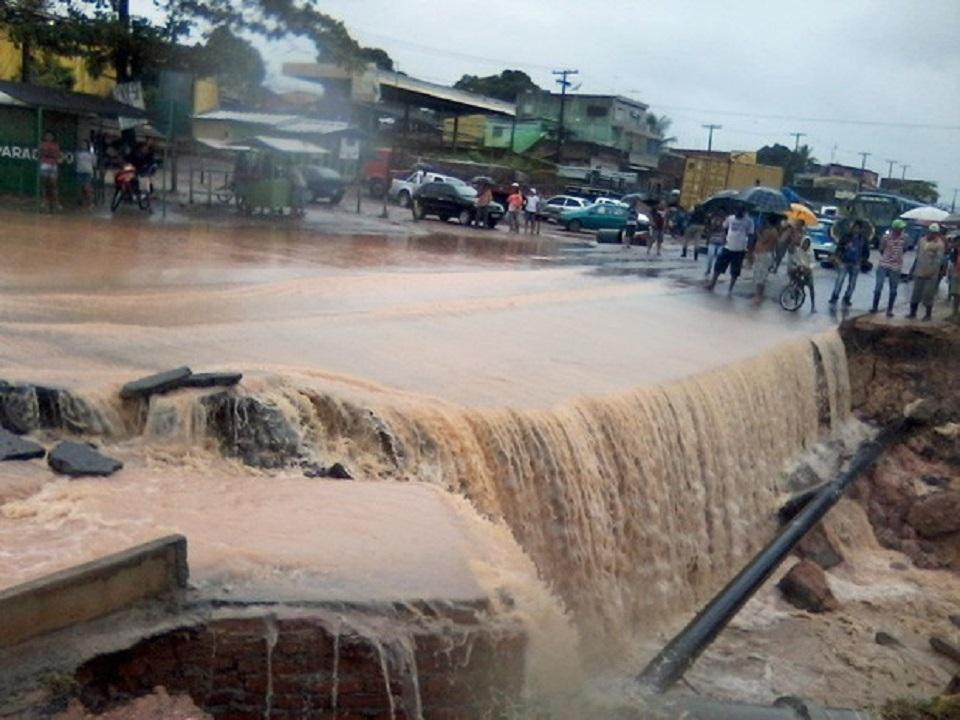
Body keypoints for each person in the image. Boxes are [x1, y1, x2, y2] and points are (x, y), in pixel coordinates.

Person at [707, 204, 753, 294]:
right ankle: (712, 284)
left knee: (735, 270)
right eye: (736, 211)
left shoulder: (749, 221)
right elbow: (725, 227)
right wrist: (724, 238)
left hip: (740, 249)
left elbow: (750, 234)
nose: (738, 213)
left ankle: (730, 289)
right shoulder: (730, 218)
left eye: (740, 211)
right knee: (718, 265)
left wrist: (749, 249)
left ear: (744, 212)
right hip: (728, 246)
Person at [908, 223, 946, 320]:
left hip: (931, 274)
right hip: (919, 271)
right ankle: (912, 313)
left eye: (934, 233)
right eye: (931, 232)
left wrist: (933, 272)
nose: (932, 234)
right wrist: (912, 270)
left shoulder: (939, 244)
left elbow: (939, 261)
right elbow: (917, 256)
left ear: (937, 233)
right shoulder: (921, 241)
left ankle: (928, 315)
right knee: (915, 293)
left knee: (928, 295)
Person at [828, 219, 870, 307]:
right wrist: (839, 256)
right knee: (840, 280)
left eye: (858, 228)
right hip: (844, 262)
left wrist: (862, 260)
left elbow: (866, 252)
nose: (856, 229)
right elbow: (839, 248)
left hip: (856, 263)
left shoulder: (863, 239)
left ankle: (847, 298)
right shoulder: (846, 237)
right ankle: (834, 296)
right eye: (855, 227)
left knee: (852, 283)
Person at [871, 219, 907, 317]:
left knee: (893, 289)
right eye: (900, 228)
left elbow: (905, 248)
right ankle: (874, 307)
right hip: (884, 264)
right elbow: (881, 248)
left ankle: (889, 310)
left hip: (896, 266)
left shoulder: (904, 237)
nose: (901, 230)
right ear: (895, 229)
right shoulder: (886, 237)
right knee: (878, 287)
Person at [751, 215, 780, 303]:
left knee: (760, 275)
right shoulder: (775, 231)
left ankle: (758, 295)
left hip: (763, 254)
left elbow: (763, 240)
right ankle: (760, 295)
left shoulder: (770, 231)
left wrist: (757, 232)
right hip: (766, 254)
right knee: (761, 275)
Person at [788, 235, 817, 312]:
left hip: (807, 271)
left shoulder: (811, 252)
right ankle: (796, 302)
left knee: (811, 287)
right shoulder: (798, 250)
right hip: (799, 269)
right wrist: (798, 265)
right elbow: (794, 259)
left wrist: (809, 267)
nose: (805, 245)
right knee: (798, 286)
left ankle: (813, 305)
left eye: (807, 244)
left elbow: (813, 262)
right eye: (804, 243)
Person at [38, 131, 60, 212]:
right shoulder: (42, 144)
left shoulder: (55, 145)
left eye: (50, 136)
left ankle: (55, 202)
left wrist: (50, 155)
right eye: (47, 136)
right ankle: (45, 201)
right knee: (44, 184)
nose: (49, 137)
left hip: (53, 165)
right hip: (45, 164)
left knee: (53, 184)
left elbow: (57, 155)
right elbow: (40, 153)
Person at [75, 140, 95, 210]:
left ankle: (90, 202)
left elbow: (94, 162)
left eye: (85, 144)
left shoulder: (91, 154)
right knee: (80, 188)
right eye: (82, 144)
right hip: (80, 171)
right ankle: (81, 201)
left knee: (87, 187)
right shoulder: (77, 153)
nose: (83, 145)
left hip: (87, 172)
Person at [948, 235, 960, 322]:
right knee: (955, 294)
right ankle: (954, 313)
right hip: (956, 273)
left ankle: (956, 314)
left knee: (957, 294)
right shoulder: (955, 252)